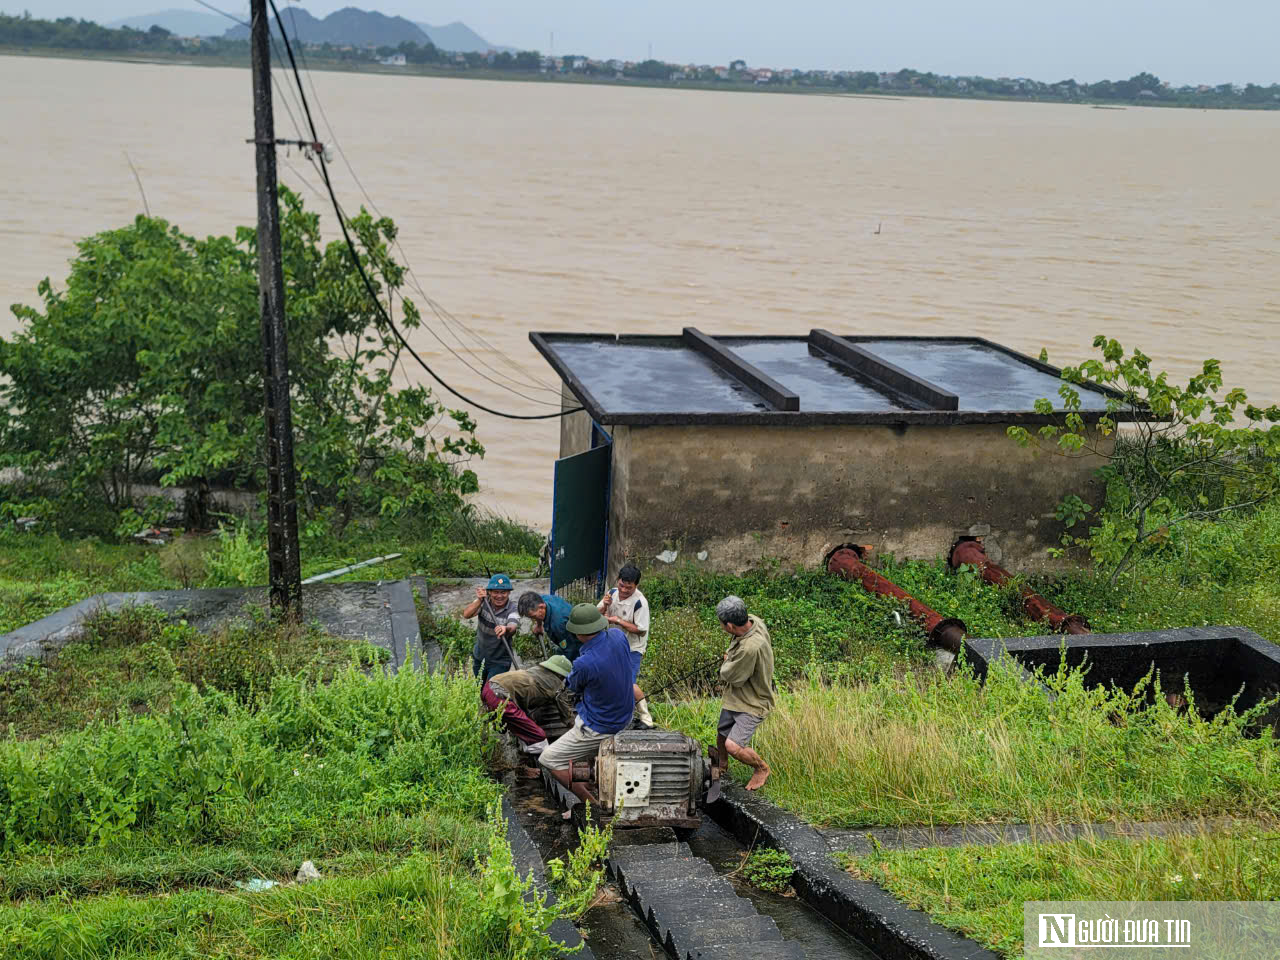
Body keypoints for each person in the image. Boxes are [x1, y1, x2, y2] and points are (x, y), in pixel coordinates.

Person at [539, 603, 635, 810]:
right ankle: (596, 776)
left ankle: (592, 805)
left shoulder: (584, 663)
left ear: (578, 633)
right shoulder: (618, 637)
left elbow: (573, 686)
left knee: (549, 759)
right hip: (626, 715)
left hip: (600, 726)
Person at [715, 594, 775, 791]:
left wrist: (727, 662)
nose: (723, 629)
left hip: (754, 701)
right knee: (722, 734)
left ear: (731, 626)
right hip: (736, 697)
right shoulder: (753, 620)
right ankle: (721, 766)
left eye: (723, 625)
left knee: (733, 746)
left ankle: (761, 768)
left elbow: (733, 676)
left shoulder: (749, 648)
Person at [597, 563, 654, 728]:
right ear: (618, 581)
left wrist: (618, 621)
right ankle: (618, 713)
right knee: (611, 678)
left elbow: (641, 631)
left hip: (632, 648)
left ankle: (646, 718)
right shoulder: (612, 593)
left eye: (628, 588)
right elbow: (597, 614)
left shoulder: (640, 602)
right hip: (613, 644)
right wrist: (605, 605)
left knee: (628, 682)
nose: (623, 590)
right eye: (621, 585)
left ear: (636, 585)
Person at [481, 655, 574, 755]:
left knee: (513, 726)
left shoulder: (535, 670)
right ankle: (531, 759)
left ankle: (521, 749)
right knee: (539, 736)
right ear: (561, 675)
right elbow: (565, 709)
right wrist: (573, 726)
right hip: (500, 697)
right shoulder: (556, 684)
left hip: (489, 687)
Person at [462, 573, 520, 683]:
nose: (499, 596)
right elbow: (466, 614)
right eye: (496, 592)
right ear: (489, 592)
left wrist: (505, 629)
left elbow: (513, 626)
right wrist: (479, 600)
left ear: (508, 593)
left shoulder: (513, 608)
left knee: (491, 691)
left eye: (503, 592)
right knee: (478, 687)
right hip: (480, 657)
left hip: (500, 661)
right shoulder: (483, 602)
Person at [516, 590, 581, 661]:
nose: (532, 619)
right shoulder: (542, 599)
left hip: (578, 641)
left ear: (542, 607)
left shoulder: (558, 625)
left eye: (533, 616)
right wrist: (539, 625)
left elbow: (570, 650)